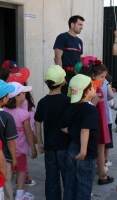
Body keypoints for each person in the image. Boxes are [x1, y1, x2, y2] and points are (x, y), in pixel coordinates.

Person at [34, 65, 71, 200]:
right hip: (65, 146)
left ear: (46, 82)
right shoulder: (67, 101)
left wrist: (39, 142)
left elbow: (37, 123)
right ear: (63, 82)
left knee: (51, 178)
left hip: (49, 146)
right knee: (68, 178)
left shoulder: (42, 102)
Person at [61, 74, 100, 200]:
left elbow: (63, 127)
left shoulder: (71, 108)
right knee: (84, 185)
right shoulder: (90, 109)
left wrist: (73, 132)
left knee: (70, 183)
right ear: (87, 91)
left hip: (72, 149)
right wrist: (83, 151)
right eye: (93, 87)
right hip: (86, 152)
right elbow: (85, 129)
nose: (95, 89)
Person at [4, 82, 37, 200]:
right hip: (20, 149)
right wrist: (33, 148)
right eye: (23, 93)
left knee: (11, 169)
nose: (25, 94)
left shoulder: (4, 111)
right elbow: (29, 133)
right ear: (17, 97)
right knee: (22, 169)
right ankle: (19, 193)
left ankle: (5, 190)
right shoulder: (24, 114)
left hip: (8, 149)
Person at [88, 60, 114, 185]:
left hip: (100, 121)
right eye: (102, 77)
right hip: (98, 123)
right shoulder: (94, 89)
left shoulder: (95, 87)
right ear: (93, 75)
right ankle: (102, 175)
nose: (104, 79)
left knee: (100, 148)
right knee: (100, 149)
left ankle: (101, 172)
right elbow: (90, 107)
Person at [53, 15, 85, 94]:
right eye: (79, 24)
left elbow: (79, 59)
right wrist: (61, 76)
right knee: (65, 99)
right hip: (65, 75)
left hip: (76, 75)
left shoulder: (79, 41)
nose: (82, 27)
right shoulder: (62, 37)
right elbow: (57, 57)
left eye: (82, 25)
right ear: (72, 24)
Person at [0, 80, 18, 200]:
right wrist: (14, 158)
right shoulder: (6, 117)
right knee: (6, 185)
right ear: (3, 99)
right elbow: (11, 141)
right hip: (4, 159)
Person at [100, 73, 114, 167]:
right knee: (107, 141)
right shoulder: (105, 83)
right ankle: (105, 160)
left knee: (100, 142)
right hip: (107, 119)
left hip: (99, 118)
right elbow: (112, 99)